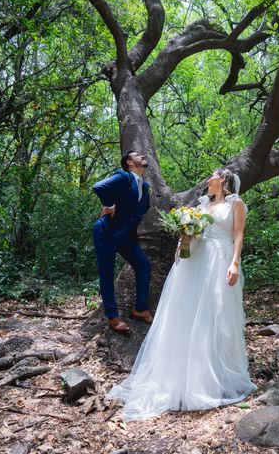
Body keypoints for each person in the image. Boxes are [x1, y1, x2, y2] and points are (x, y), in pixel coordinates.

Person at [107, 168, 256, 420]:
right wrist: (184, 238)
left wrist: (235, 263)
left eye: (212, 177)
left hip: (219, 261)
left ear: (223, 180)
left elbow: (238, 234)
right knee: (187, 315)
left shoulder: (236, 204)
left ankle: (215, 377)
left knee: (216, 315)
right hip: (195, 262)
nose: (207, 180)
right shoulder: (201, 206)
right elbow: (194, 233)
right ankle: (185, 375)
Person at [92, 151, 153, 333]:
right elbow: (99, 187)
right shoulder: (123, 176)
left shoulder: (146, 185)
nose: (142, 155)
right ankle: (112, 316)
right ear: (129, 162)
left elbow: (141, 209)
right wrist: (110, 205)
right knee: (107, 273)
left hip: (127, 236)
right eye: (137, 155)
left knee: (144, 265)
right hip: (106, 232)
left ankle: (140, 309)